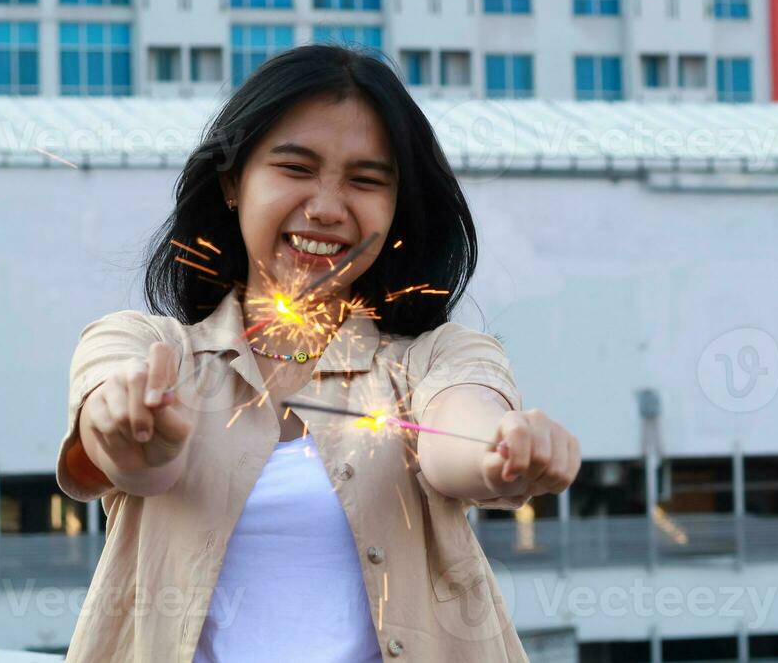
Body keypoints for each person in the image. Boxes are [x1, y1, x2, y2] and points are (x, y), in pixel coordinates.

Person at [56, 44, 581, 662]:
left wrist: (501, 450)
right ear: (232, 181)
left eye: (365, 181)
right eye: (295, 168)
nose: (328, 208)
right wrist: (133, 433)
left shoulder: (437, 357)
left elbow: (454, 434)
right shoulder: (144, 347)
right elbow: (128, 450)